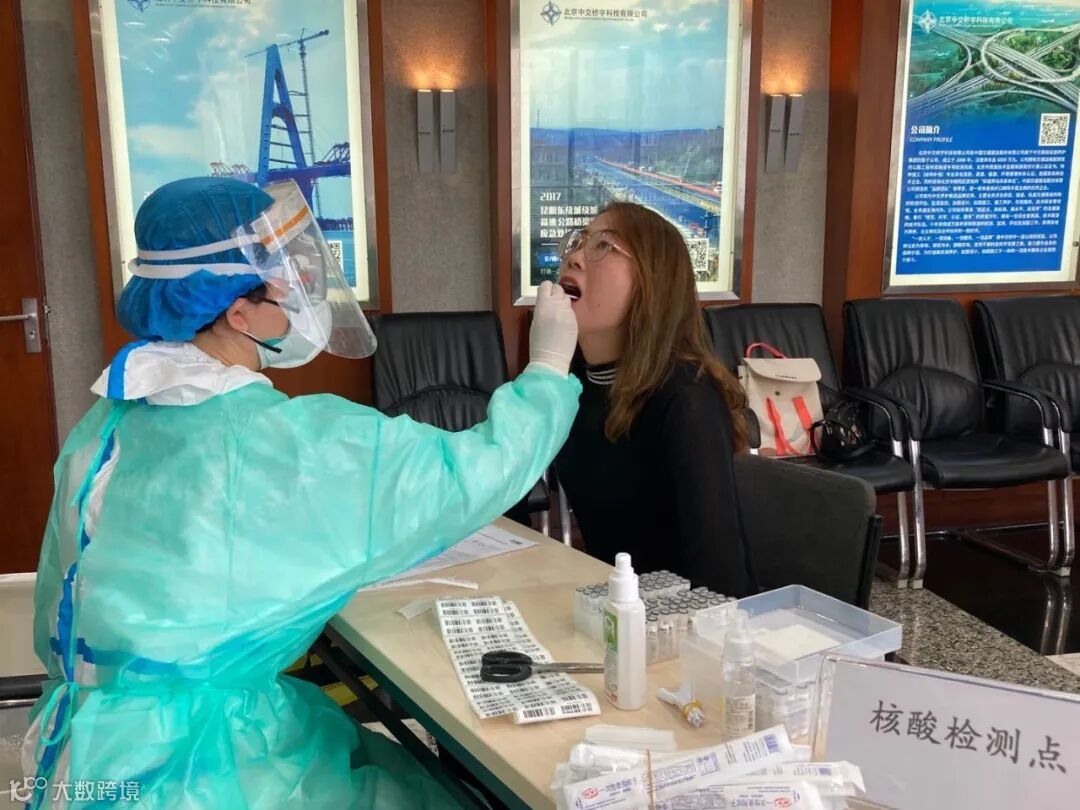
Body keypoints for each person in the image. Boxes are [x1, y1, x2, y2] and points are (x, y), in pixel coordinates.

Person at [23, 176, 580, 809]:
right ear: (237, 314)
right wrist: (547, 368)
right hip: (206, 769)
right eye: (279, 277)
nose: (298, 289)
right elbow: (473, 471)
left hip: (87, 747)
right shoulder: (275, 440)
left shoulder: (109, 420)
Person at [554, 202, 754, 597]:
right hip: (611, 609)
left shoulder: (686, 401)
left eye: (603, 245)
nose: (574, 257)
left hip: (680, 622)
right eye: (578, 242)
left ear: (651, 281)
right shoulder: (574, 383)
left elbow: (719, 581)